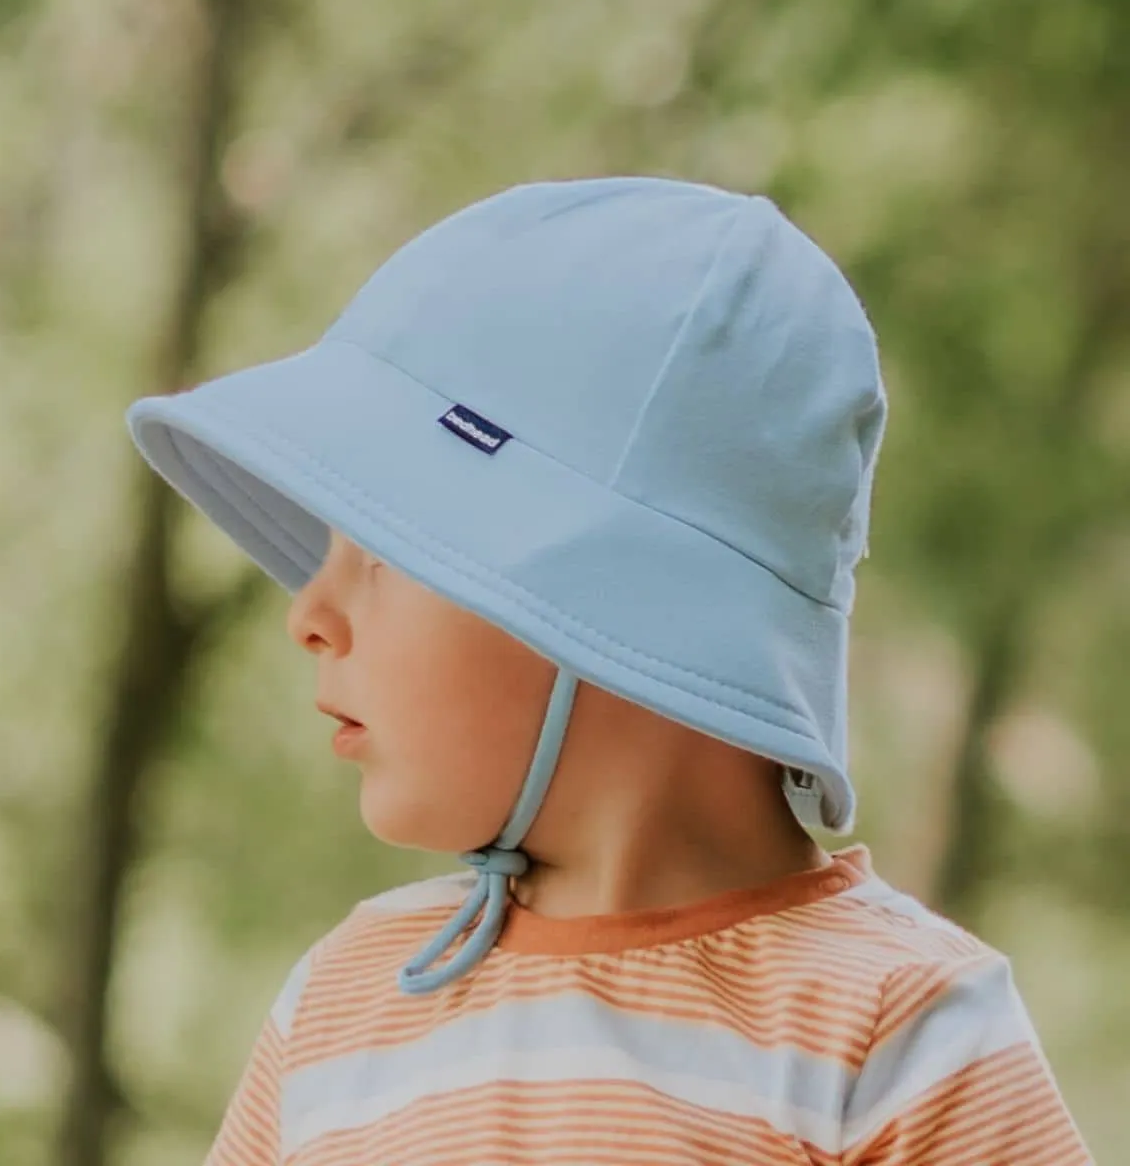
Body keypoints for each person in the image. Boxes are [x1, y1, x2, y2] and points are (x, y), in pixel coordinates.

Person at [126, 177, 1091, 1164]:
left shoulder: (898, 1034)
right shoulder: (340, 1009)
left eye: (381, 552)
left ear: (608, 597)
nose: (309, 616)